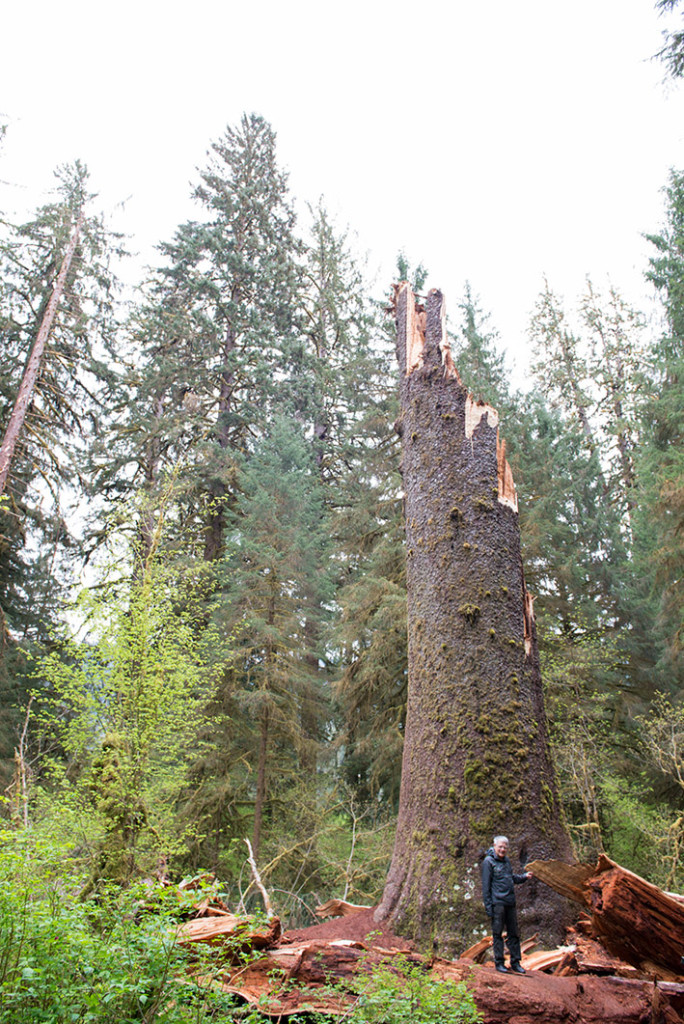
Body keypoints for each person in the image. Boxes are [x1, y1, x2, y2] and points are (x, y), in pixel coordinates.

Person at [481, 835, 533, 974]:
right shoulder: (488, 862)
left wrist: (524, 877)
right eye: (500, 847)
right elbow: (486, 886)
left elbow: (511, 878)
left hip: (510, 902)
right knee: (497, 933)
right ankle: (499, 962)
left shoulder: (506, 861)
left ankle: (515, 962)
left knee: (514, 933)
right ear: (494, 846)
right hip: (497, 903)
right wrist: (488, 906)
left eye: (505, 847)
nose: (502, 849)